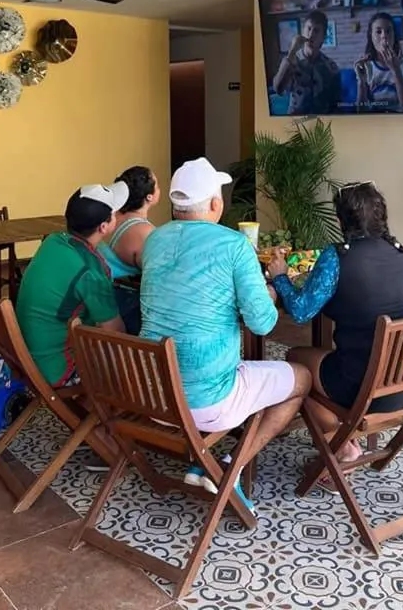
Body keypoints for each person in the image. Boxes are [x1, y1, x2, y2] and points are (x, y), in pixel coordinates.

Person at [140, 157, 312, 511]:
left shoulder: (154, 240)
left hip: (152, 395)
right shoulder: (234, 245)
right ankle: (229, 467)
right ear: (216, 204)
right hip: (206, 402)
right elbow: (263, 324)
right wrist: (269, 295)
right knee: (301, 378)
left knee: (223, 364)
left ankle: (200, 459)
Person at [267, 182, 403, 490]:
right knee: (324, 363)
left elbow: (301, 311)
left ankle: (342, 445)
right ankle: (343, 435)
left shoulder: (338, 257)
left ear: (342, 220)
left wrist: (281, 277)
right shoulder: (400, 253)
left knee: (297, 363)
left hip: (366, 384)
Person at [16, 182, 130, 388]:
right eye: (116, 213)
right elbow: (114, 331)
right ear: (104, 227)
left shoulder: (53, 241)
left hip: (26, 355)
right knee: (132, 332)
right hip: (56, 367)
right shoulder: (90, 270)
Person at [98, 166, 160, 335]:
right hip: (120, 301)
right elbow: (157, 277)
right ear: (149, 196)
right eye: (157, 186)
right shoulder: (144, 233)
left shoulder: (111, 217)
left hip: (101, 295)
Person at [272, 10, 339, 116]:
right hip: (295, 121)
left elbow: (336, 103)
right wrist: (292, 51)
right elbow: (278, 89)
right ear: (303, 31)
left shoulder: (331, 67)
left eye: (316, 31)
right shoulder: (291, 60)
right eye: (308, 28)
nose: (311, 34)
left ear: (324, 37)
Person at [354, 12, 403, 112]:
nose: (384, 36)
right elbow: (360, 112)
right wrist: (361, 82)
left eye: (388, 31)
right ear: (371, 36)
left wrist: (396, 70)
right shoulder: (365, 67)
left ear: (394, 35)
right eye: (378, 32)